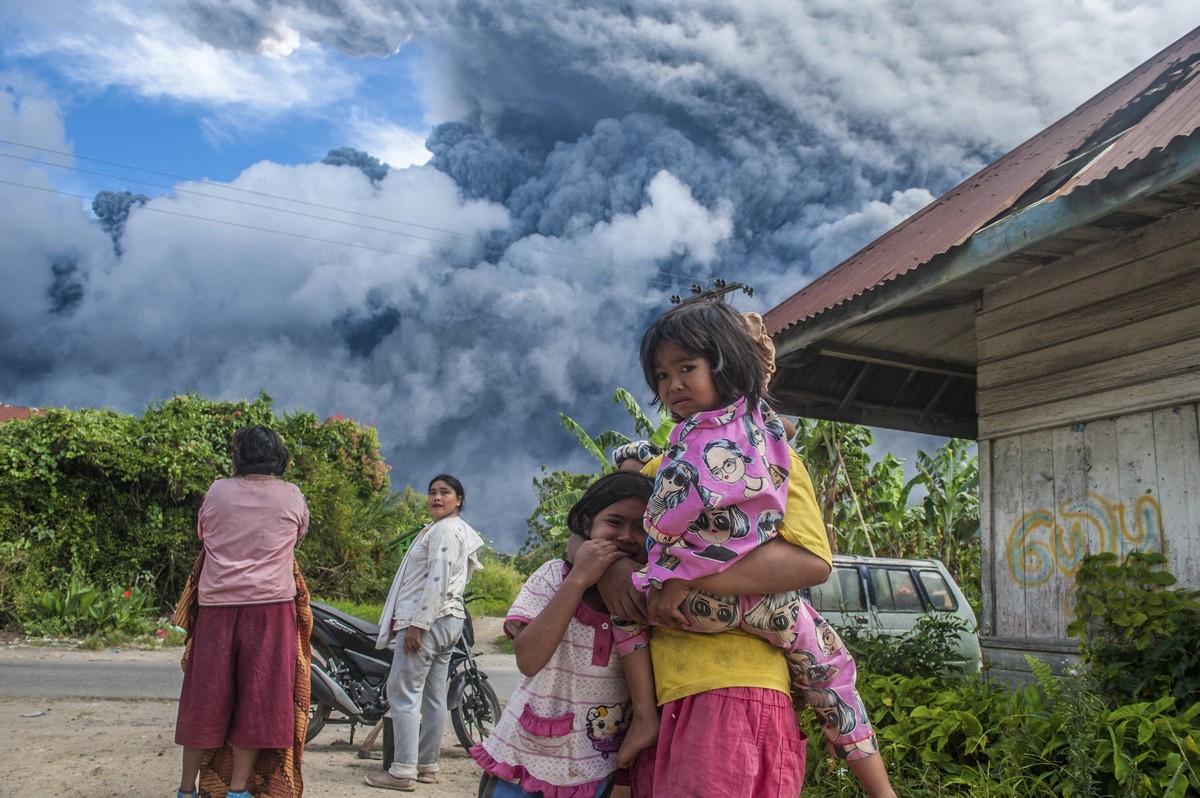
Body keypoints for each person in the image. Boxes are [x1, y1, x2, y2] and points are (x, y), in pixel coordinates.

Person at [609, 297, 896, 796]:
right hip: (696, 663)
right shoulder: (747, 454)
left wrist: (673, 576)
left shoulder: (757, 463)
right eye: (661, 375)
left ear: (729, 367)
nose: (672, 384)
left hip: (728, 681)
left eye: (686, 368)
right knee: (831, 672)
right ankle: (873, 776)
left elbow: (811, 561)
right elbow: (597, 529)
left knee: (627, 618)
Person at [470, 471, 656, 798]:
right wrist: (578, 580)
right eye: (613, 522)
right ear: (587, 525)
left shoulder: (645, 596)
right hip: (523, 764)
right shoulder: (554, 577)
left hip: (596, 772)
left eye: (640, 527)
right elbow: (528, 659)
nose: (626, 536)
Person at [174, 425, 311, 798]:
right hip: (271, 609)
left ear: (239, 455)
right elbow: (298, 536)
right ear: (278, 456)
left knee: (205, 697)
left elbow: (205, 533)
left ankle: (186, 790)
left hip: (217, 608)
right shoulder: (291, 495)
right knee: (258, 699)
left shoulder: (217, 491)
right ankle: (237, 791)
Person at [366, 474, 486, 791]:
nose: (436, 497)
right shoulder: (454, 529)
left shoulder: (445, 530)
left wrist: (418, 624)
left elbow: (438, 580)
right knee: (433, 697)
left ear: (458, 499)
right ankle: (425, 765)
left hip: (429, 620)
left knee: (404, 693)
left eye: (445, 492)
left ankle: (402, 771)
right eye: (432, 492)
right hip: (450, 621)